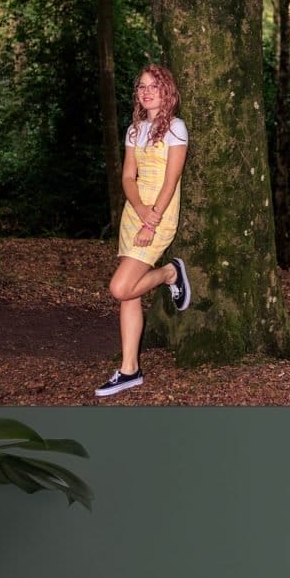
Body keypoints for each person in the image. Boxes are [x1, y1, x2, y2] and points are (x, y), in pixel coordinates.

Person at [96, 64, 190, 397]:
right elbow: (127, 178)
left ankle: (168, 273)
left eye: (154, 86)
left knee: (120, 288)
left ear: (167, 91)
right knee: (130, 293)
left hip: (160, 214)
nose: (146, 91)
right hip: (134, 213)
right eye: (141, 87)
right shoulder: (134, 130)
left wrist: (151, 220)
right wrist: (138, 211)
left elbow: (171, 181)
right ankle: (129, 370)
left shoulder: (176, 129)